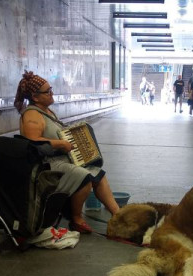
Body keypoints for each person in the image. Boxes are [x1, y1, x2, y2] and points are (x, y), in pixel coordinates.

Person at [14, 71, 120, 234]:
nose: (52, 93)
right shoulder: (32, 115)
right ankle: (76, 218)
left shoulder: (47, 112)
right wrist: (60, 143)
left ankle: (119, 216)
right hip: (47, 165)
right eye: (47, 91)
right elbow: (32, 141)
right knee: (84, 177)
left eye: (51, 89)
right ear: (35, 97)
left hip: (62, 160)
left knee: (99, 174)